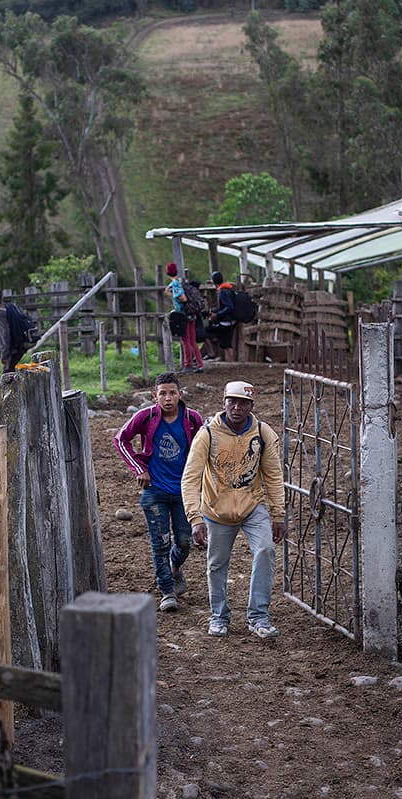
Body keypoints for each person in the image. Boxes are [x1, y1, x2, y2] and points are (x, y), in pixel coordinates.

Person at [181, 380, 285, 639]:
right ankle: (219, 616)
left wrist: (278, 513)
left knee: (265, 550)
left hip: (253, 504)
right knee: (216, 563)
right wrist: (195, 517)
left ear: (251, 405)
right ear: (224, 402)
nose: (237, 407)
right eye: (232, 401)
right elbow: (190, 477)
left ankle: (258, 616)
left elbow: (273, 475)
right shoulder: (207, 434)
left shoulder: (262, 433)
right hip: (216, 509)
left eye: (243, 403)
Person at [114, 372, 204, 612]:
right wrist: (139, 468)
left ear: (180, 395)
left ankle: (175, 570)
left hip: (185, 490)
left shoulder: (193, 419)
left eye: (172, 393)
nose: (167, 398)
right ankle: (167, 590)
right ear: (155, 396)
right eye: (162, 393)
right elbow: (121, 439)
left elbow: (205, 449)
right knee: (160, 542)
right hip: (154, 490)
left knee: (185, 541)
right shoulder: (145, 416)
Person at [166, 262, 204, 373]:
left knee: (185, 340)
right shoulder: (182, 282)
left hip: (183, 315)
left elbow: (183, 298)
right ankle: (200, 364)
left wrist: (173, 295)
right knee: (192, 340)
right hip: (191, 314)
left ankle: (188, 365)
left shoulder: (175, 284)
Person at [0, 288, 29, 373]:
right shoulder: (11, 307)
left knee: (7, 376)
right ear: (2, 297)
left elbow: (4, 335)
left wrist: (4, 355)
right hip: (20, 345)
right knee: (12, 373)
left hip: (12, 349)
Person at [208, 270, 237, 363]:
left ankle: (211, 354)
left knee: (206, 332)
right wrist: (215, 309)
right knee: (227, 344)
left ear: (213, 281)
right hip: (231, 321)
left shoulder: (222, 292)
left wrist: (217, 315)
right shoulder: (228, 289)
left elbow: (229, 306)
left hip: (225, 322)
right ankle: (231, 363)